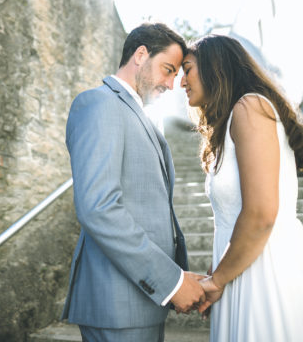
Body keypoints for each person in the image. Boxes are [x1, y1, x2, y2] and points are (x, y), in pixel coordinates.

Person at [180, 34, 303, 341]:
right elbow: (230, 217)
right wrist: (215, 274)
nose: (182, 81)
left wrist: (218, 280)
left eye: (187, 68)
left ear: (215, 67)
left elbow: (262, 212)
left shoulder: (249, 108)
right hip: (239, 267)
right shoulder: (232, 121)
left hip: (266, 271)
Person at [61, 23, 206, 342]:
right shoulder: (98, 104)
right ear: (141, 55)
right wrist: (171, 281)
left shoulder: (139, 114)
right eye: (167, 70)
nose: (171, 84)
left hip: (143, 300)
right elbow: (99, 208)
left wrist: (178, 278)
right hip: (116, 303)